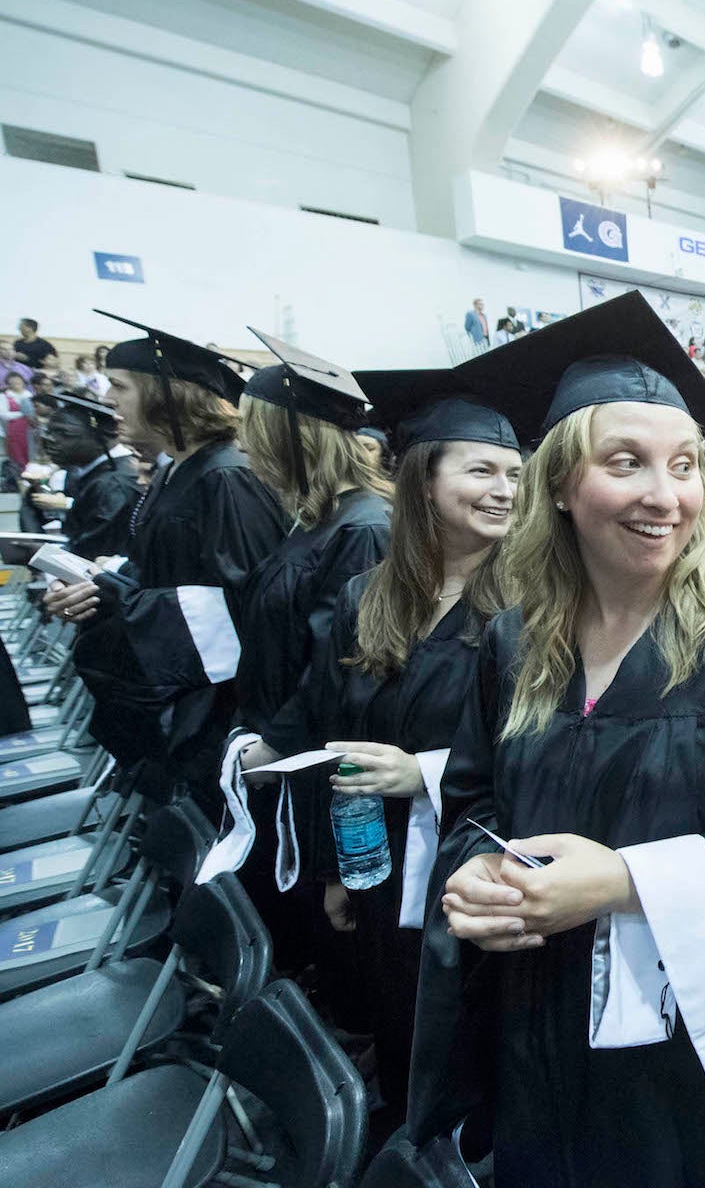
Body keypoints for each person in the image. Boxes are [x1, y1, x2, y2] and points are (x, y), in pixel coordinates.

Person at [405, 293, 705, 1186]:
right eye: (625, 462)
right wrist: (471, 869)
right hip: (534, 1021)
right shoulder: (512, 643)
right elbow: (476, 801)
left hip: (686, 1055)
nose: (664, 496)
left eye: (683, 466)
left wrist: (632, 884)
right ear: (559, 482)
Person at [254, 391, 522, 1141]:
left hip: (470, 864)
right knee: (396, 1009)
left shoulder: (535, 606)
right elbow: (342, 737)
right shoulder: (365, 596)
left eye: (516, 474)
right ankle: (408, 1137)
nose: (505, 489)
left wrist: (426, 772)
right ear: (423, 480)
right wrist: (342, 867)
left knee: (468, 1034)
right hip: (380, 861)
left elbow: (542, 750)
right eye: (482, 470)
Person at [43, 311, 285, 810]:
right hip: (181, 694)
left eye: (120, 386)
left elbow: (254, 608)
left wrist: (119, 599)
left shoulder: (227, 477)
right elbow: (157, 571)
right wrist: (94, 584)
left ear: (166, 394)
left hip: (221, 709)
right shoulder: (177, 472)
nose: (107, 400)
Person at [224, 333, 392, 961]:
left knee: (338, 942)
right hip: (295, 763)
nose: (244, 445)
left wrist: (276, 742)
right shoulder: (325, 518)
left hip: (322, 770)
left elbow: (340, 667)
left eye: (255, 429)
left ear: (295, 437)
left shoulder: (366, 528)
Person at [38, 393, 137, 559]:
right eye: (50, 432)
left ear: (102, 436)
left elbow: (96, 553)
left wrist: (40, 555)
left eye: (65, 434)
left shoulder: (114, 484)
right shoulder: (83, 472)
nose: (51, 440)